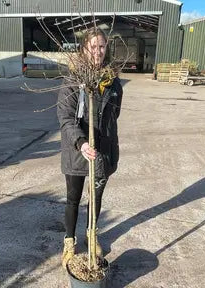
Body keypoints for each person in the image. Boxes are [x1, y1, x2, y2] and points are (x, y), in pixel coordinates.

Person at [57, 28, 123, 268]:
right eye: (93, 47)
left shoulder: (113, 81)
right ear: (84, 49)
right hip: (77, 151)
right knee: (73, 200)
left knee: (95, 199)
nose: (98, 51)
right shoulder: (73, 79)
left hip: (102, 152)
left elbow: (114, 115)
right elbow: (65, 117)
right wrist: (81, 142)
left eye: (102, 46)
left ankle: (92, 234)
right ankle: (69, 241)